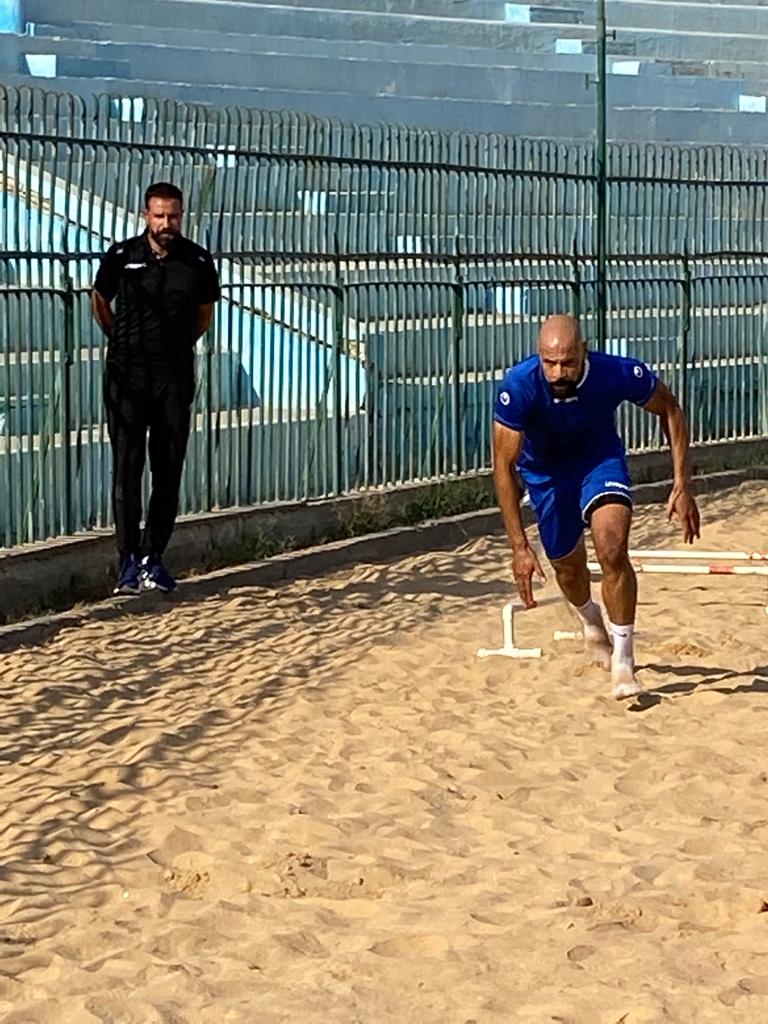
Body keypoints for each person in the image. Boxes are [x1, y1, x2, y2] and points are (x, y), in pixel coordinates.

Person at [493, 314, 700, 699]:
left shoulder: (615, 372)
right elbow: (503, 467)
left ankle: (624, 661)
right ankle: (591, 621)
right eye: (549, 363)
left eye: (568, 362)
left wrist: (682, 484)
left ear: (584, 352)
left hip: (599, 462)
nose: (558, 373)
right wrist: (519, 547)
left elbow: (670, 408)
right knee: (567, 569)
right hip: (546, 475)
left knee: (611, 547)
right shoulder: (519, 386)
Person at [91, 181, 221, 595]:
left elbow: (204, 315)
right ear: (146, 215)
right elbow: (100, 300)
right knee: (127, 468)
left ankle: (153, 558)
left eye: (173, 216)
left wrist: (177, 347)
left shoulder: (197, 260)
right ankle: (128, 561)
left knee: (167, 469)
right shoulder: (121, 256)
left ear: (182, 216)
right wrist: (121, 340)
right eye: (160, 216)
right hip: (127, 374)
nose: (167, 224)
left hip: (174, 377)